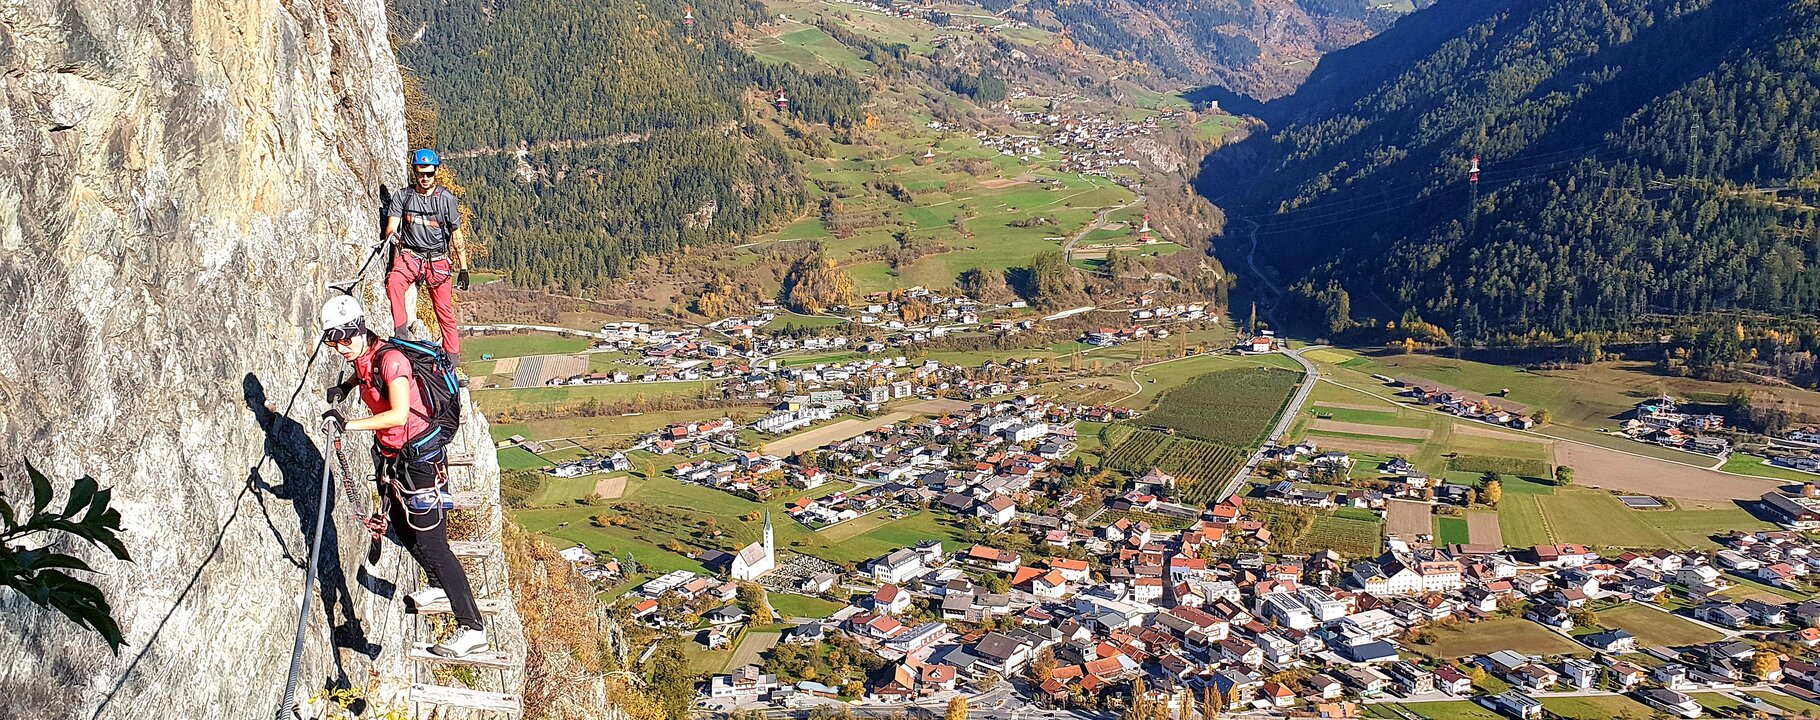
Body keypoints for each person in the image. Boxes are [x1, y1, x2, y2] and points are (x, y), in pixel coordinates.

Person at [317, 295, 487, 658]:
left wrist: (348, 424)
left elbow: (396, 415)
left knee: (432, 545)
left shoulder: (391, 360)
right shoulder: (368, 356)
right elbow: (363, 373)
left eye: (346, 338)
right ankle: (439, 585)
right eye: (334, 341)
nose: (341, 346)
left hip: (420, 461)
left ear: (360, 329)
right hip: (398, 459)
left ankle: (472, 628)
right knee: (402, 525)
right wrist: (346, 388)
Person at [382, 148, 471, 365]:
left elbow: (456, 235)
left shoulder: (445, 199)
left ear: (435, 172)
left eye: (429, 174)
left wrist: (464, 268)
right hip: (411, 256)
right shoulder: (403, 197)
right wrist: (392, 236)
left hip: (437, 260)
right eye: (421, 173)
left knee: (444, 312)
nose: (425, 178)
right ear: (414, 172)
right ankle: (401, 336)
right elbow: (391, 227)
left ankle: (453, 360)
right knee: (394, 282)